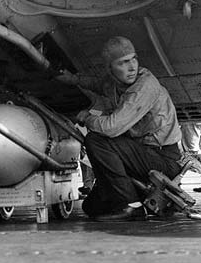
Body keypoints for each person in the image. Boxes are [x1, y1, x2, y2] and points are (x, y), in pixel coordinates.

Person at [56, 36, 183, 221]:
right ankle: (127, 196)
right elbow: (97, 84)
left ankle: (131, 204)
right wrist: (72, 79)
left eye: (134, 59)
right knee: (91, 207)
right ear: (110, 68)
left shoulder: (145, 86)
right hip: (141, 156)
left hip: (163, 159)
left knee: (96, 140)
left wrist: (88, 118)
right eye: (123, 62)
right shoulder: (114, 83)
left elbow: (111, 128)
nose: (132, 67)